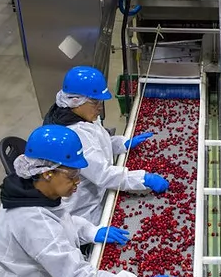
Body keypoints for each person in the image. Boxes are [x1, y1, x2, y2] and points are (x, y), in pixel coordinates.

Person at [0, 124, 177, 277]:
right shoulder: (32, 221)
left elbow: (62, 220)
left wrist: (90, 231)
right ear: (48, 173)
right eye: (71, 176)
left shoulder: (33, 191)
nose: (78, 181)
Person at [43, 65, 171, 226]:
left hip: (97, 191)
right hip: (84, 209)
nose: (100, 108)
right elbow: (103, 174)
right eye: (95, 102)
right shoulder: (73, 133)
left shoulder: (78, 114)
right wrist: (143, 178)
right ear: (76, 100)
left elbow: (97, 143)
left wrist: (120, 144)